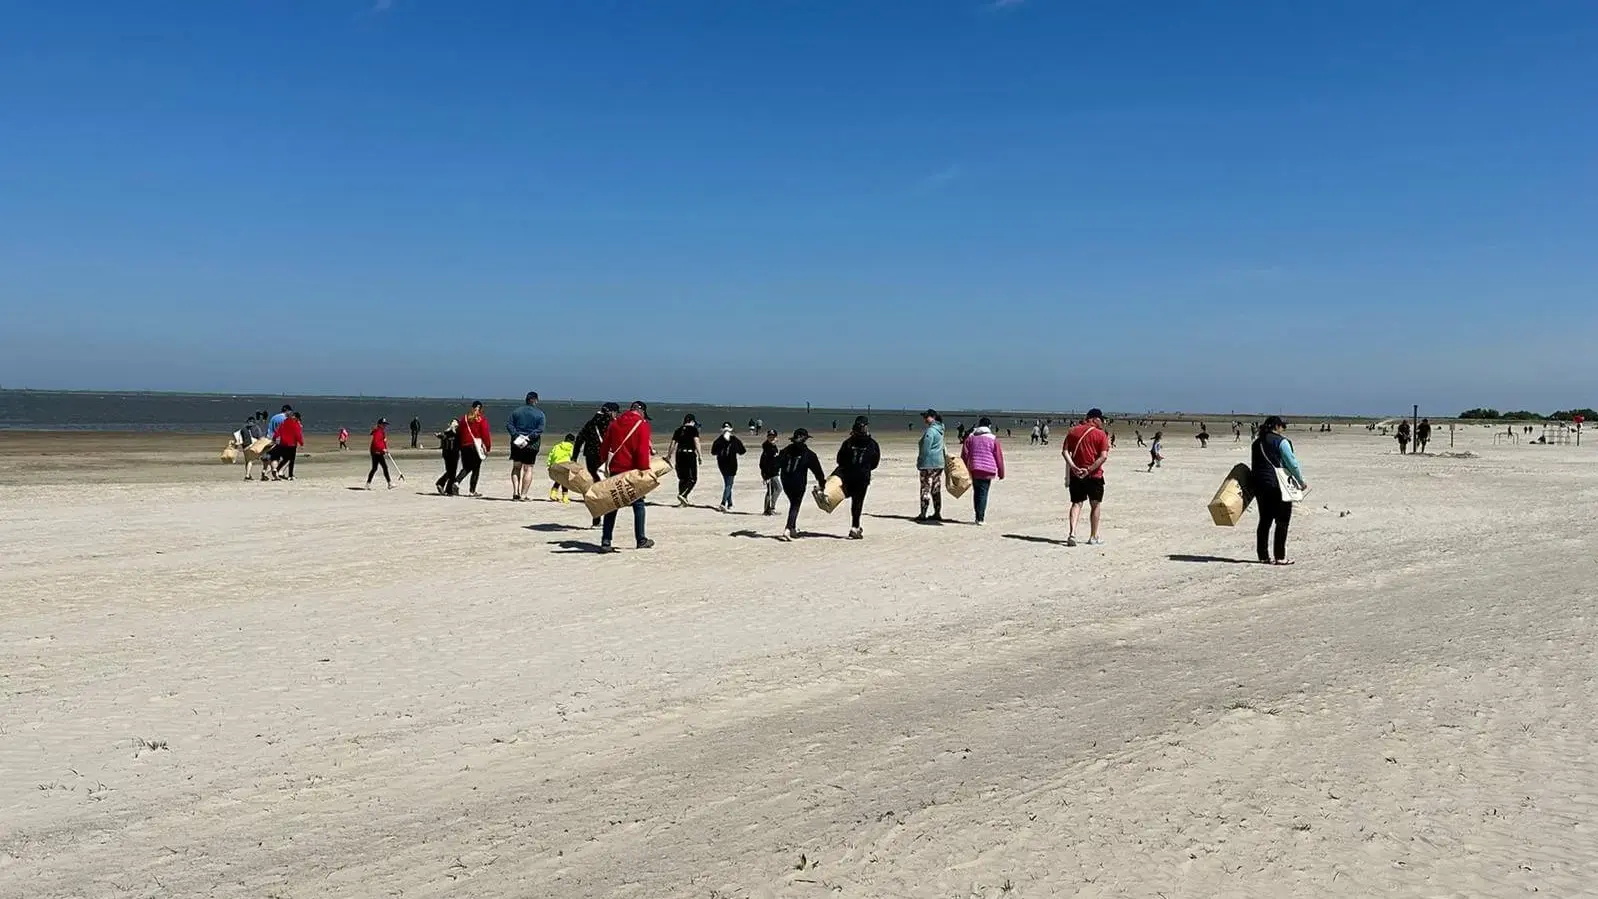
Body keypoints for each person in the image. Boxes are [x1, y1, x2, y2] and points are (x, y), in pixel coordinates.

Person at [598, 401, 655, 552]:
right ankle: (641, 539)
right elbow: (642, 450)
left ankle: (606, 541)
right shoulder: (642, 425)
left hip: (616, 468)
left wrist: (604, 460)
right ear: (641, 412)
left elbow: (605, 446)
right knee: (639, 505)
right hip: (633, 470)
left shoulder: (615, 424)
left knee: (613, 504)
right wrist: (644, 470)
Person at [1251, 415, 1307, 565]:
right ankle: (1280, 556)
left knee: (1264, 520)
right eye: (1283, 426)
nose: (1284, 429)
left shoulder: (1256, 443)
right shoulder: (1282, 442)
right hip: (1278, 486)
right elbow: (1292, 464)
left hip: (1260, 485)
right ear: (1277, 426)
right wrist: (1301, 482)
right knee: (1282, 521)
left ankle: (1263, 556)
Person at [1063, 408, 1111, 546]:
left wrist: (1073, 466)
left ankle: (1072, 533)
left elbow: (1065, 452)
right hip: (1094, 474)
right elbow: (1103, 456)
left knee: (1076, 503)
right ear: (1095, 419)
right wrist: (1089, 469)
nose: (1103, 422)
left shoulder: (1073, 431)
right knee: (1095, 505)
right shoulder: (1101, 434)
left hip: (1076, 474)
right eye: (1101, 419)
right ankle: (1093, 536)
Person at [571, 403, 620, 526]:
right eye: (616, 412)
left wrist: (574, 457)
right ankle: (606, 517)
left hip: (590, 457)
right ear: (612, 412)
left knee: (595, 484)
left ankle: (596, 519)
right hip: (605, 458)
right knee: (606, 486)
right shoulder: (612, 424)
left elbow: (579, 439)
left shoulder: (591, 423)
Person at [776, 428, 826, 541]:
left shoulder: (785, 450)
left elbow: (777, 463)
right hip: (799, 483)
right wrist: (822, 483)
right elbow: (817, 471)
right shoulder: (809, 454)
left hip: (786, 481)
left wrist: (768, 474)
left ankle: (792, 528)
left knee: (793, 504)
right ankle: (788, 529)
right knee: (795, 505)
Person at [836, 416, 881, 539]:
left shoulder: (848, 442)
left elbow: (840, 459)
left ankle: (855, 527)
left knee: (854, 500)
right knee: (858, 501)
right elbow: (875, 463)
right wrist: (865, 468)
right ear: (865, 427)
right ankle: (855, 527)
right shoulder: (872, 444)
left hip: (849, 475)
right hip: (862, 476)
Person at [960, 417, 1005, 525]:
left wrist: (964, 467)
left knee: (977, 493)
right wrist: (1001, 472)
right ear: (989, 426)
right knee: (983, 493)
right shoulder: (993, 438)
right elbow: (999, 457)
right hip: (988, 470)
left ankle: (977, 516)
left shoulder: (971, 437)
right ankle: (980, 518)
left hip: (974, 468)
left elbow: (965, 454)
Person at [506, 391, 546, 502]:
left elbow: (509, 425)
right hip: (532, 444)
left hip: (517, 443)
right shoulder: (540, 414)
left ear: (526, 400)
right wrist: (528, 437)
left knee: (516, 467)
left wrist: (517, 435)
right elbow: (540, 429)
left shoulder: (516, 412)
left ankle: (515, 492)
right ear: (536, 400)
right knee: (528, 469)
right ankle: (523, 495)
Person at [454, 401, 492, 497]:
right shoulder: (481, 419)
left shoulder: (464, 419)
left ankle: (456, 482)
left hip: (464, 446)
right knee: (476, 468)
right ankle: (472, 491)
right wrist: (487, 447)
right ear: (481, 409)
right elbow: (485, 434)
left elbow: (459, 432)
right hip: (475, 446)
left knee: (467, 467)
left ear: (472, 408)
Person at [916, 409, 946, 522]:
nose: (924, 419)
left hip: (928, 464)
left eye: (926, 417)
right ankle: (937, 512)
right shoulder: (941, 430)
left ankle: (923, 513)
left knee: (925, 488)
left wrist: (920, 461)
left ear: (932, 417)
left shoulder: (931, 431)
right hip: (939, 463)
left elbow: (925, 449)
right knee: (936, 488)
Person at [710, 422, 747, 512]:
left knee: (727, 483)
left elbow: (713, 452)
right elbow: (742, 451)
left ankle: (730, 503)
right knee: (729, 484)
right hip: (731, 464)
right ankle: (723, 503)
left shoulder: (719, 440)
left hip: (723, 464)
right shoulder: (734, 440)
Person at [668, 414, 702, 506]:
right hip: (689, 454)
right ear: (692, 421)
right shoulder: (694, 430)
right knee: (692, 479)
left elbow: (672, 444)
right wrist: (699, 455)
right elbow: (696, 442)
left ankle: (683, 501)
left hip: (679, 454)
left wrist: (669, 455)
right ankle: (683, 495)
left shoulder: (678, 430)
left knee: (682, 478)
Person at [271, 410, 305, 481]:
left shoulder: (283, 422)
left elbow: (278, 432)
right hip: (292, 444)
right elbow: (298, 434)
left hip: (283, 444)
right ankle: (290, 475)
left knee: (285, 459)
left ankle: (277, 470)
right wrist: (301, 443)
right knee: (291, 460)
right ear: (296, 418)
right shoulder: (296, 424)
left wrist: (274, 439)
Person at [546, 433, 576, 503]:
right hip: (565, 466)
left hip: (556, 465)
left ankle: (553, 493)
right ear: (572, 441)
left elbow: (551, 455)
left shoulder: (557, 446)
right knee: (565, 482)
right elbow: (572, 456)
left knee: (559, 480)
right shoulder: (571, 447)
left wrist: (549, 465)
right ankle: (565, 497)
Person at [759, 429, 783, 516]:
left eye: (773, 436)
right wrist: (765, 476)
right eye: (770, 436)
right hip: (771, 474)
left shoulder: (773, 447)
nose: (771, 438)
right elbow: (763, 463)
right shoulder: (767, 448)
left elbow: (775, 460)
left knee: (771, 490)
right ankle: (771, 508)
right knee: (778, 489)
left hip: (774, 472)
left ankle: (766, 510)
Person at [434, 419, 461, 496]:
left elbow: (444, 439)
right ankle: (446, 488)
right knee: (452, 473)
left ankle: (442, 485)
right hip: (453, 454)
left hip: (447, 454)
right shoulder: (455, 432)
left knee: (450, 472)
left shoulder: (447, 432)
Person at [366, 418, 393, 489]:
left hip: (378, 451)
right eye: (383, 424)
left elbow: (382, 442)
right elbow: (376, 443)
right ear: (380, 424)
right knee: (383, 467)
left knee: (375, 468)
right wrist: (382, 449)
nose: (385, 426)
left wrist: (385, 449)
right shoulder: (378, 432)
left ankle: (368, 484)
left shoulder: (381, 431)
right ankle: (389, 483)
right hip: (376, 452)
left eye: (385, 424)